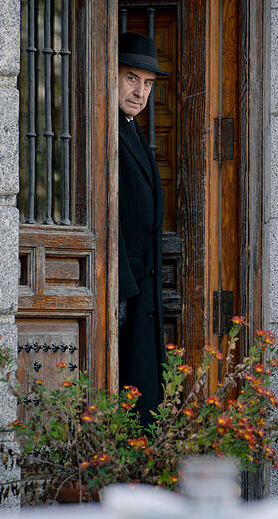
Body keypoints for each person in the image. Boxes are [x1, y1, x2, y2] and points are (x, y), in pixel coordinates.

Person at [116, 32, 169, 425]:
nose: (140, 92)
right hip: (123, 288)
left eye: (148, 83)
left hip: (141, 287)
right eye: (131, 78)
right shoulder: (105, 128)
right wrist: (121, 289)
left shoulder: (131, 127)